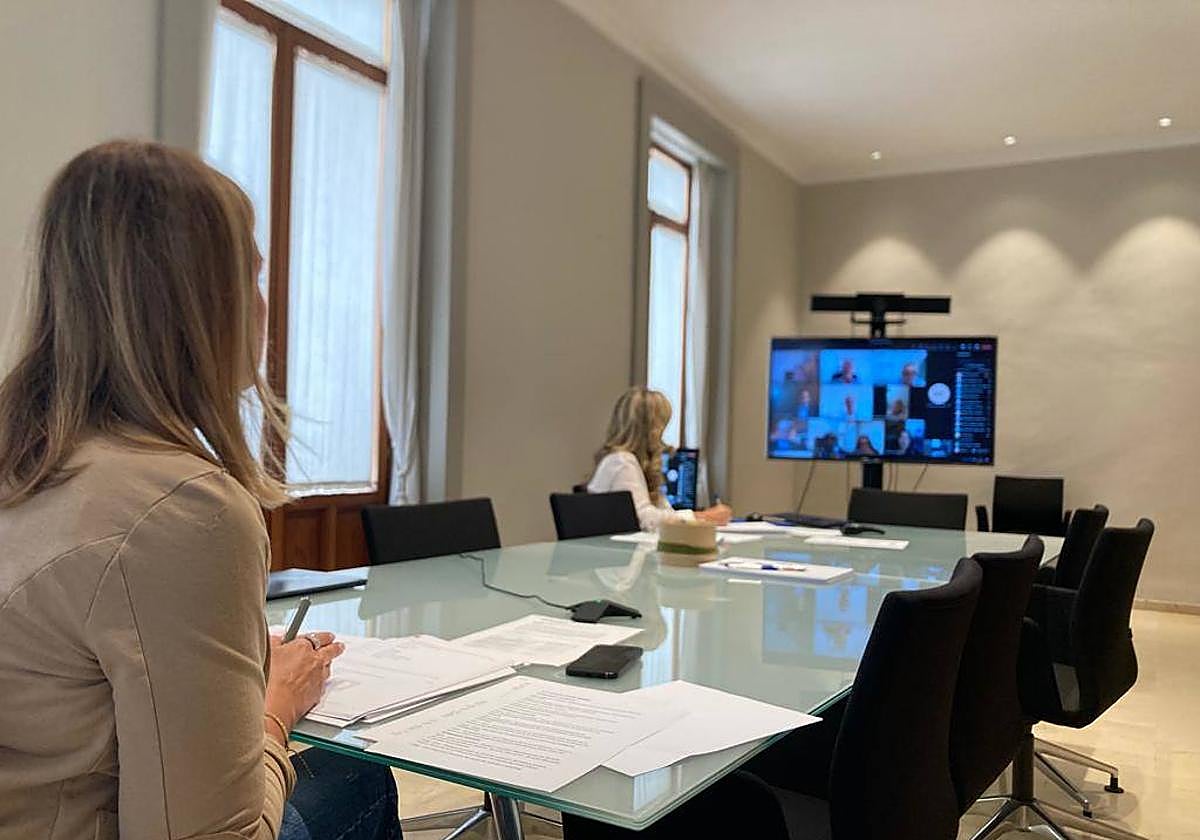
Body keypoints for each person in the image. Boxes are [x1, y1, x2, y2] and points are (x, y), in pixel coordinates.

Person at [0, 142, 401, 840]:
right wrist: (275, 706)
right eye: (252, 273)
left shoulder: (29, 458)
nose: (265, 304)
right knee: (358, 783)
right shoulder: (180, 510)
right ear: (198, 301)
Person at [588, 388, 731, 531]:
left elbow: (665, 512)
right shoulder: (621, 462)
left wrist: (696, 517)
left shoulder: (634, 463)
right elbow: (644, 518)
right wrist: (703, 517)